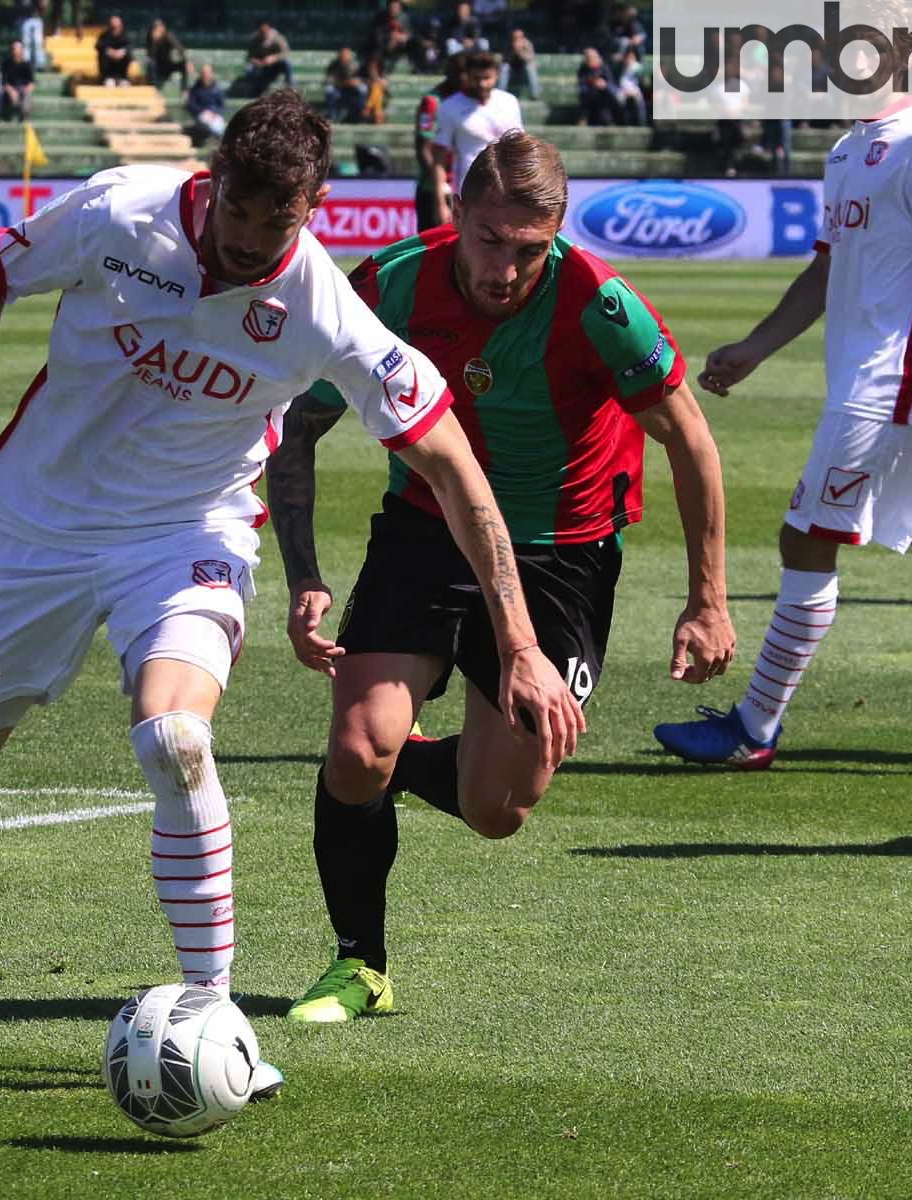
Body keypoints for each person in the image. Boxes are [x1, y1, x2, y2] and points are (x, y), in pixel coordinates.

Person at [0, 92, 581, 1088]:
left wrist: (524, 643)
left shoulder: (323, 307)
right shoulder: (120, 211)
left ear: (314, 207)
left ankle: (215, 1016)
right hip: (43, 532)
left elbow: (456, 473)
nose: (244, 240)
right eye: (234, 211)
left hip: (188, 536)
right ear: (213, 181)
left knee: (175, 736)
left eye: (272, 223)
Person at [269, 130, 732, 1022]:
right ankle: (359, 962)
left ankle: (403, 770)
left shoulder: (600, 303)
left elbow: (693, 442)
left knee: (497, 806)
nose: (504, 268)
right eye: (487, 239)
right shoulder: (393, 283)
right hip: (425, 528)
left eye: (528, 249)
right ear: (456, 212)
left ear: (555, 232)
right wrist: (304, 571)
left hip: (563, 551)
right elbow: (300, 424)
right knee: (359, 745)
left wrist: (706, 600)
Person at [652, 94, 912, 777]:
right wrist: (757, 347)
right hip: (889, 392)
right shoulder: (848, 149)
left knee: (806, 537)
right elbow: (827, 267)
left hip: (888, 392)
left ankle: (754, 728)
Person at [432, 49, 519, 201]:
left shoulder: (509, 102)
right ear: (467, 76)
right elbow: (438, 158)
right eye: (476, 78)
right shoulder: (449, 107)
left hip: (506, 190)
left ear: (496, 75)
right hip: (469, 192)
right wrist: (439, 201)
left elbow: (519, 146)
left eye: (487, 78)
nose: (482, 84)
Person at [413, 53, 462, 230]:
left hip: (460, 186)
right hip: (435, 188)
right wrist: (439, 185)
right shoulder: (433, 102)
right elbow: (423, 147)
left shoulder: (467, 102)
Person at [242, 20, 290, 95]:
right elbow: (249, 57)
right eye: (262, 32)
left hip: (275, 65)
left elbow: (285, 53)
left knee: (287, 63)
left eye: (266, 31)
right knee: (249, 69)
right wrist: (257, 62)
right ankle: (254, 91)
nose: (264, 34)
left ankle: (289, 85)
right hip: (261, 66)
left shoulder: (277, 37)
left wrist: (274, 58)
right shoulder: (255, 39)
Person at [183, 61, 224, 140]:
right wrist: (203, 112)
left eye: (207, 72)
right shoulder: (195, 89)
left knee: (219, 125)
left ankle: (216, 141)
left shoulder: (217, 89)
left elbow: (221, 105)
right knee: (206, 124)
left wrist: (214, 112)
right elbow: (192, 104)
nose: (205, 75)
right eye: (204, 73)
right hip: (201, 115)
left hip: (214, 116)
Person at [322, 47, 363, 124]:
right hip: (338, 89)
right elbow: (327, 81)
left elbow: (361, 80)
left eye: (346, 55)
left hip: (351, 90)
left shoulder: (355, 65)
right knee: (329, 89)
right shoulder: (333, 65)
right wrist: (344, 82)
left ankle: (358, 116)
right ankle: (332, 116)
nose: (344, 58)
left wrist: (354, 82)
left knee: (362, 90)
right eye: (342, 55)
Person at [145, 18, 186, 94]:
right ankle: (154, 89)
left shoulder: (168, 36)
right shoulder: (150, 38)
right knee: (151, 64)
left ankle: (184, 89)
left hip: (167, 66)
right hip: (157, 68)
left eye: (161, 26)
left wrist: (187, 61)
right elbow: (150, 56)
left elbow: (180, 48)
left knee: (183, 64)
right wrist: (155, 42)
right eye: (157, 27)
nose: (159, 29)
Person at [0, 37, 32, 121]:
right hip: (11, 88)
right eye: (14, 49)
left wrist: (26, 89)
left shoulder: (27, 64)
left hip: (23, 88)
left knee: (26, 96)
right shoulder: (5, 63)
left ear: (22, 51)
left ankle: (23, 117)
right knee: (11, 96)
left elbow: (31, 82)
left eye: (18, 49)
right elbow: (4, 82)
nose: (16, 51)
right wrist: (11, 91)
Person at [94, 13, 130, 86]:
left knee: (128, 55)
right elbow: (98, 45)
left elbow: (129, 46)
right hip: (108, 65)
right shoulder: (104, 35)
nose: (116, 28)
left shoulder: (125, 35)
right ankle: (107, 78)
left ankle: (122, 79)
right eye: (113, 27)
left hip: (120, 63)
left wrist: (122, 52)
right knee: (103, 54)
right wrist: (109, 51)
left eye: (118, 26)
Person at [505, 27, 538, 100]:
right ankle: (500, 92)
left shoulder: (528, 44)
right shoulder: (508, 44)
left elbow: (530, 59)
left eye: (520, 37)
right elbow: (505, 60)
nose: (517, 39)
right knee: (505, 67)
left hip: (524, 68)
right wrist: (513, 52)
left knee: (530, 68)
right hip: (512, 68)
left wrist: (519, 52)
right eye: (515, 37)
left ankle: (534, 94)